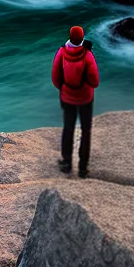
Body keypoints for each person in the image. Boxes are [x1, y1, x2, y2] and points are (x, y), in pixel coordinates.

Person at [51, 24, 100, 177]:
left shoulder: (61, 52)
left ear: (70, 37)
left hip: (67, 97)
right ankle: (83, 168)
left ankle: (66, 163)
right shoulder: (88, 55)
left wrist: (64, 89)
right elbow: (95, 81)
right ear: (82, 38)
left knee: (68, 128)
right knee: (86, 131)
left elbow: (55, 77)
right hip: (85, 98)